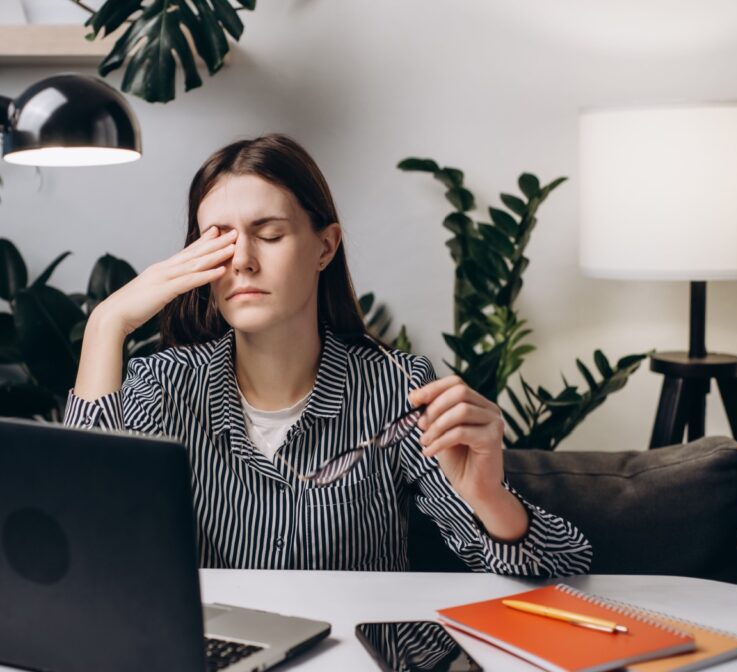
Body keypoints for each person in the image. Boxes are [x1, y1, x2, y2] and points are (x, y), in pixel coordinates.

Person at [64, 134, 592, 576]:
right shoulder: (162, 387)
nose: (242, 261)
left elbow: (562, 568)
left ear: (325, 247)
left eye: (269, 234)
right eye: (219, 240)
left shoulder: (397, 389)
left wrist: (486, 494)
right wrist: (106, 325)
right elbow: (79, 537)